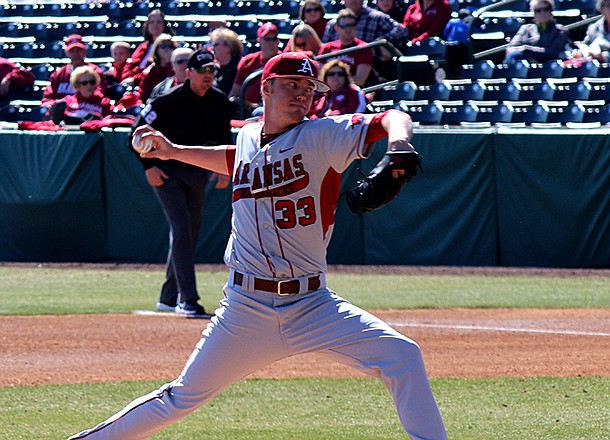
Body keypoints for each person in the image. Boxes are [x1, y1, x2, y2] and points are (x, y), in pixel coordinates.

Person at [68, 51, 447, 440]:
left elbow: (394, 117)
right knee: (181, 396)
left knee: (403, 357)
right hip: (244, 308)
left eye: (309, 88)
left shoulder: (323, 135)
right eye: (292, 85)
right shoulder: (248, 134)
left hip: (312, 304)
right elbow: (238, 160)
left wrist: (400, 143)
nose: (302, 95)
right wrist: (173, 151)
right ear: (265, 88)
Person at [131, 49, 233, 317]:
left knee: (189, 233)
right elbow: (137, 134)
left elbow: (225, 138)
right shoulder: (167, 101)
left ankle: (168, 296)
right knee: (182, 227)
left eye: (212, 70)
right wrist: (148, 166)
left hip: (197, 173)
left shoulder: (220, 101)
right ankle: (188, 299)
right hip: (167, 174)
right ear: (188, 74)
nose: (208, 76)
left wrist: (224, 170)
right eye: (202, 71)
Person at [229, 22, 281, 116]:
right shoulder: (248, 61)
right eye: (267, 39)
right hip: (247, 109)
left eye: (274, 39)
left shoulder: (283, 60)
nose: (271, 42)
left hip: (273, 107)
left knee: (259, 112)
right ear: (259, 40)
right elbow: (235, 91)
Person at [41, 34, 107, 107]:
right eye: (72, 51)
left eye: (79, 50)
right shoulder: (58, 74)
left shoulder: (94, 72)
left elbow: (100, 94)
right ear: (66, 53)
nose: (76, 54)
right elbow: (47, 99)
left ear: (85, 51)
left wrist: (75, 103)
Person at [318, 9, 375, 87]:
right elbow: (320, 77)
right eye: (344, 26)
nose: (348, 29)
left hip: (352, 93)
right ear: (336, 28)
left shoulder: (363, 48)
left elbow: (360, 80)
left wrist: (333, 81)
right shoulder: (327, 48)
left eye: (351, 25)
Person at [504, 0, 572, 64]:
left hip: (548, 64)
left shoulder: (560, 30)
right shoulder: (526, 29)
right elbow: (513, 46)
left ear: (551, 11)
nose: (542, 13)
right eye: (538, 10)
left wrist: (526, 49)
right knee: (513, 54)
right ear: (534, 14)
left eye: (546, 9)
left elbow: (552, 52)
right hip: (527, 62)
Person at [322, 0, 409, 49]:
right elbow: (324, 47)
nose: (353, 1)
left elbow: (402, 30)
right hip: (339, 66)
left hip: (369, 64)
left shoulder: (376, 18)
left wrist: (379, 42)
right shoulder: (333, 24)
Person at [48, 66, 114, 125]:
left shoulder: (104, 102)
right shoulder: (67, 101)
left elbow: (111, 119)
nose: (89, 85)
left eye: (92, 82)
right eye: (84, 83)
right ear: (77, 85)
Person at [126, 9, 175, 87]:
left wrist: (135, 80)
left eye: (158, 22)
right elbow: (129, 67)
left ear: (164, 25)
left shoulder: (171, 46)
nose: (155, 25)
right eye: (152, 22)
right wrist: (128, 78)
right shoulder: (142, 47)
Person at [138, 33, 176, 103]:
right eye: (164, 46)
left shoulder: (178, 69)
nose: (167, 49)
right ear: (157, 50)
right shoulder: (149, 72)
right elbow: (143, 96)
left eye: (171, 46)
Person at [209, 27, 243, 95]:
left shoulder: (239, 67)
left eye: (216, 45)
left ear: (229, 47)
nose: (212, 48)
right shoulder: (214, 68)